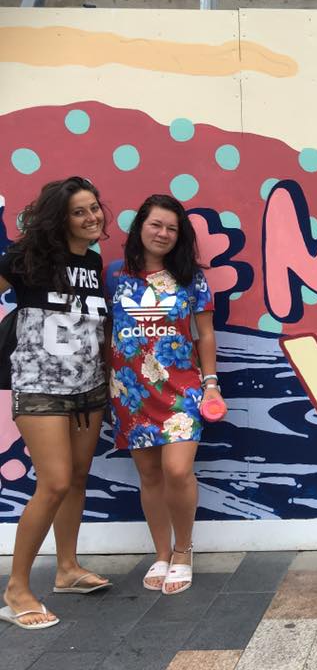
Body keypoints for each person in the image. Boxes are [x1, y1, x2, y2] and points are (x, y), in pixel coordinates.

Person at [0, 177, 112, 630]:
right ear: (59, 218)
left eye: (95, 207)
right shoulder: (27, 259)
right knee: (55, 482)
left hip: (90, 386)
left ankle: (67, 569)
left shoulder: (95, 262)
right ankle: (16, 590)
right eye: (79, 211)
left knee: (79, 478)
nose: (92, 217)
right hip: (41, 385)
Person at [108, 195, 220, 595]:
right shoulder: (115, 276)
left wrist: (210, 383)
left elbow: (205, 334)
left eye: (172, 229)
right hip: (131, 391)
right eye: (157, 225)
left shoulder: (192, 278)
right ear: (141, 226)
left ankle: (184, 550)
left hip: (182, 388)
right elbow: (107, 333)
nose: (163, 234)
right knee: (150, 474)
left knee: (176, 470)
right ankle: (161, 552)